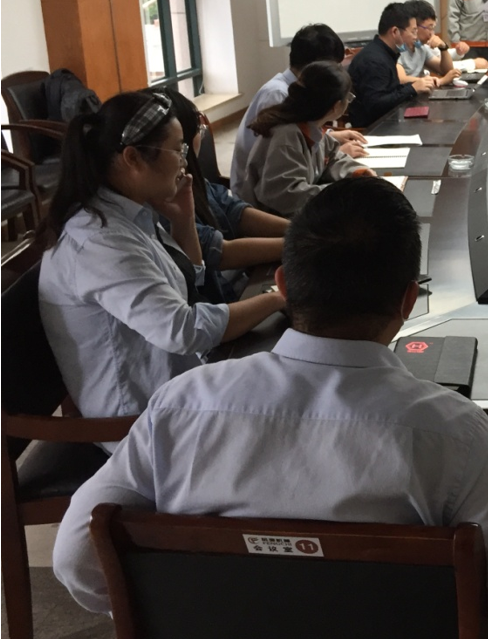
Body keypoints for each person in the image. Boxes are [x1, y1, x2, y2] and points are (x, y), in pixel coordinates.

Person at [53, 178, 488, 639]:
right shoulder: (451, 433)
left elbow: (76, 556)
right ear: (408, 301)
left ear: (282, 284)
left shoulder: (183, 404)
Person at [38, 92, 286, 441]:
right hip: (142, 424)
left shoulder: (130, 212)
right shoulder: (101, 241)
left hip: (179, 386)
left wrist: (184, 222)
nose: (185, 161)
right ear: (133, 158)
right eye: (178, 149)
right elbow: (182, 330)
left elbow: (189, 288)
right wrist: (277, 298)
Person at [164, 88, 288, 303]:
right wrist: (298, 242)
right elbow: (218, 253)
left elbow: (234, 211)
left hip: (235, 285)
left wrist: (298, 230)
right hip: (219, 299)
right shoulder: (161, 198)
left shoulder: (189, 177)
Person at [230, 23, 366, 195]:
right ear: (316, 68)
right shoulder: (278, 96)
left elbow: (309, 140)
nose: (336, 72)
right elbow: (284, 183)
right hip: (258, 198)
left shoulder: (300, 96)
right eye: (334, 67)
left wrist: (332, 141)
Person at [239, 62, 374, 217]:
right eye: (348, 97)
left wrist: (357, 172)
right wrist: (343, 191)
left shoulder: (310, 126)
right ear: (336, 106)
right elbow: (286, 196)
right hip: (273, 224)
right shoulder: (286, 136)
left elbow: (332, 157)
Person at [349, 2, 432, 128]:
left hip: (389, 120)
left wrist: (415, 86)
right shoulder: (374, 60)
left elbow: (390, 91)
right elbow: (376, 104)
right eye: (413, 31)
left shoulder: (386, 53)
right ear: (395, 32)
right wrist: (412, 88)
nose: (416, 37)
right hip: (374, 128)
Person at [401, 0, 461, 86]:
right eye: (430, 27)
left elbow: (447, 71)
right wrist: (439, 81)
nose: (432, 33)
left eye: (433, 28)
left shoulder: (421, 48)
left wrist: (443, 47)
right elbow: (401, 80)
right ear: (414, 26)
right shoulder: (399, 48)